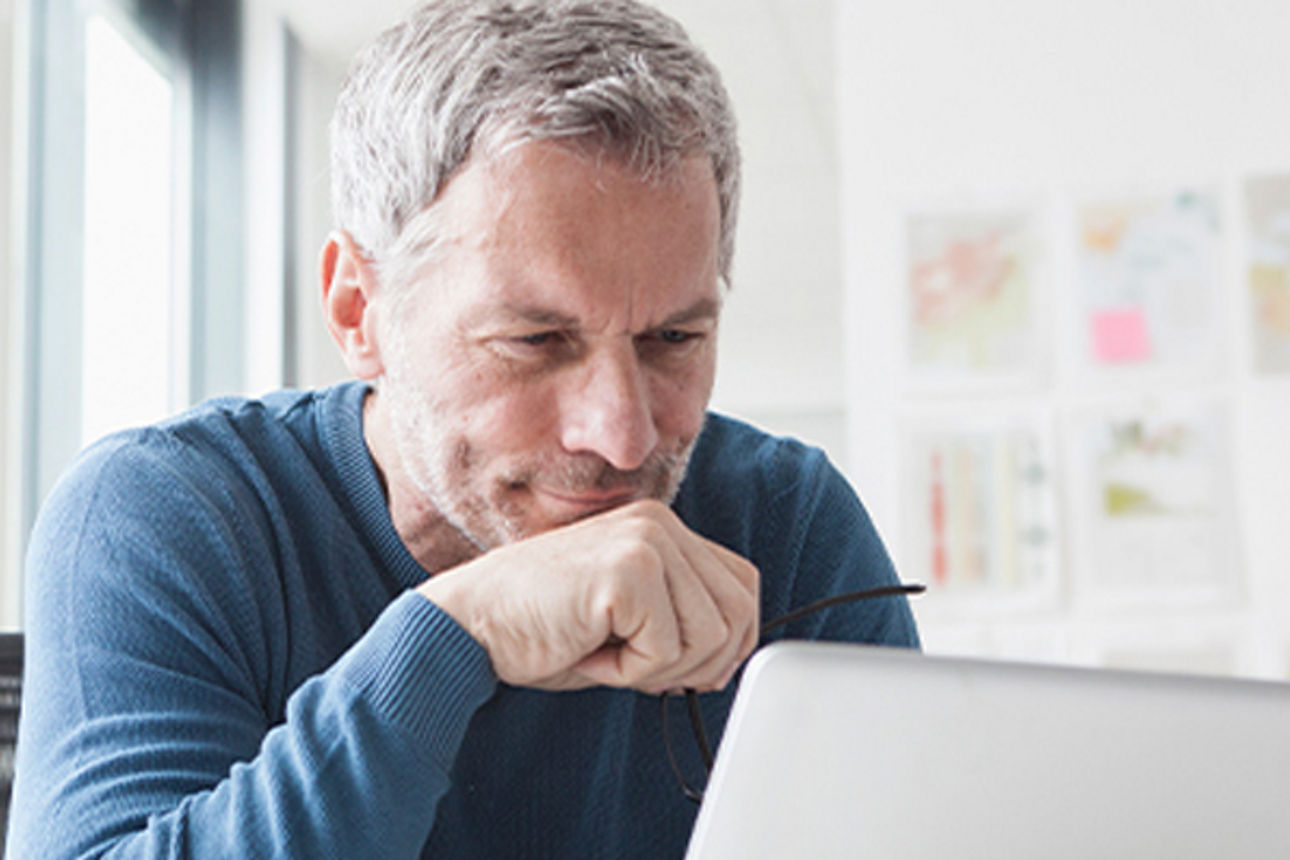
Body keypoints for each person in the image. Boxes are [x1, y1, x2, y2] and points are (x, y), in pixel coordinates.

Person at [6, 0, 919, 856]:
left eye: (673, 338)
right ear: (359, 309)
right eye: (534, 341)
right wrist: (455, 636)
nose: (624, 436)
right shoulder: (162, 517)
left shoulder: (792, 529)